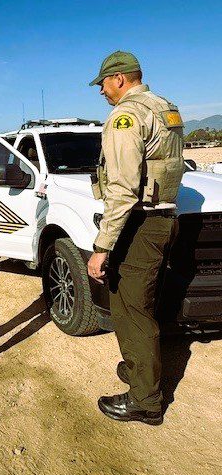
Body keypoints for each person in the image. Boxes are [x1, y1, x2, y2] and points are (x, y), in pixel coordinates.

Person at [87, 50, 184, 425]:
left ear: (121, 79)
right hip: (161, 217)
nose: (101, 92)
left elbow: (124, 188)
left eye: (103, 84)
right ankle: (138, 369)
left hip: (139, 222)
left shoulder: (126, 116)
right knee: (130, 299)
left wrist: (102, 246)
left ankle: (145, 399)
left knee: (133, 309)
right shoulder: (165, 107)